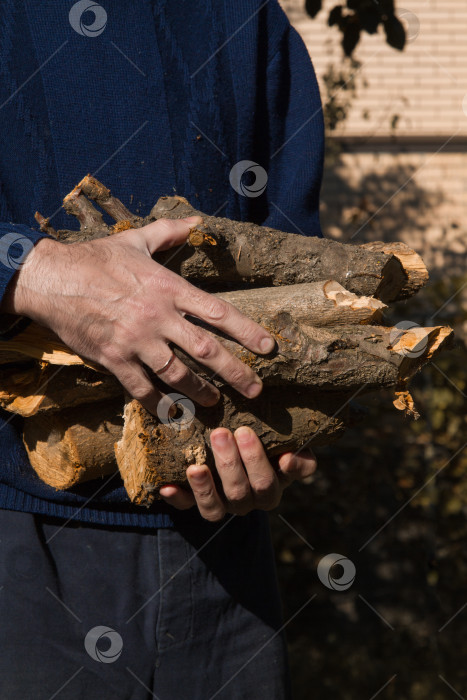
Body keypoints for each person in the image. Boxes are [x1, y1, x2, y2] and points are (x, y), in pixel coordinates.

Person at [0, 1, 324, 697]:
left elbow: (299, 257)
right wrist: (30, 272)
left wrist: (282, 422)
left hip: (222, 559)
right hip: (15, 533)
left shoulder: (247, 18)